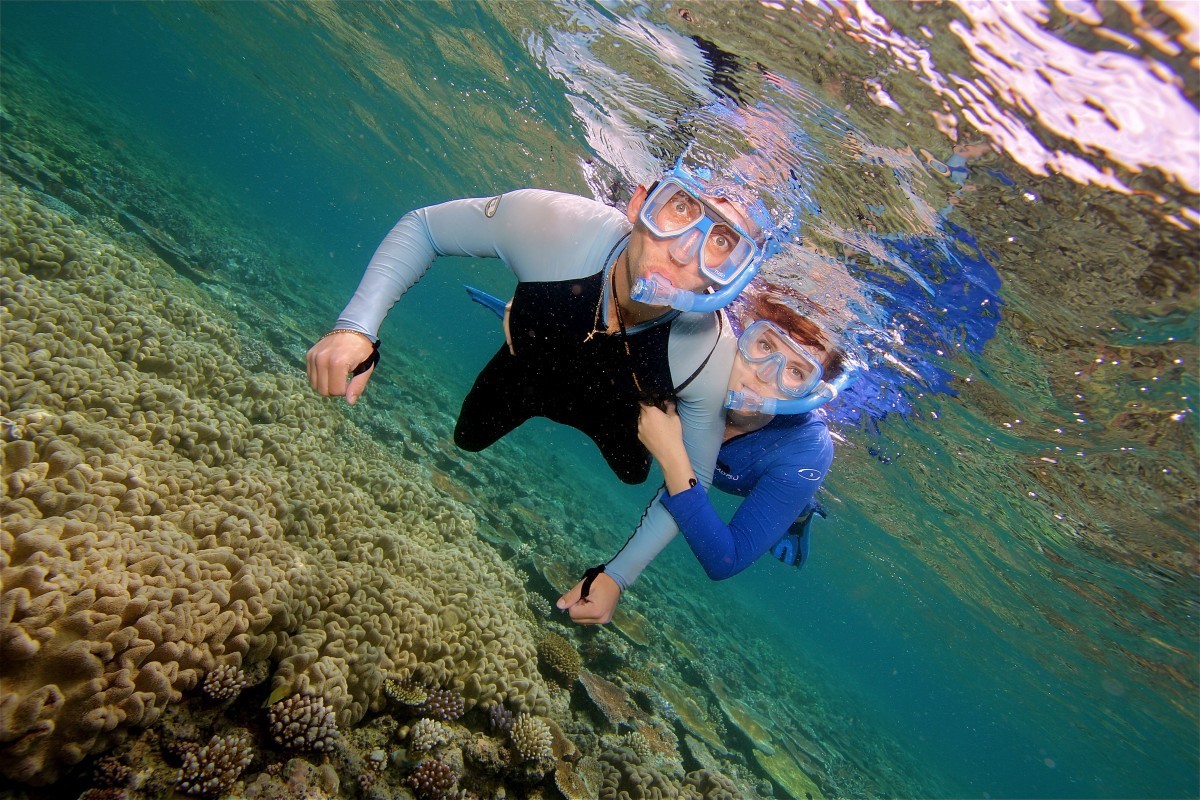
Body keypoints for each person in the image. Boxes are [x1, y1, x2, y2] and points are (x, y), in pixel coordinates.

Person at [307, 163, 775, 606]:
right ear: (639, 204)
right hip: (528, 369)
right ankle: (516, 316)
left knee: (635, 471)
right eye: (680, 208)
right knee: (467, 437)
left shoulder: (711, 353)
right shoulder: (559, 225)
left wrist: (618, 575)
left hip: (614, 414)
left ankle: (522, 316)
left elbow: (695, 477)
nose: (682, 252)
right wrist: (356, 327)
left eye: (721, 241)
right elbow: (425, 228)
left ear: (734, 273)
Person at [469, 282, 855, 623]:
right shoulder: (700, 344)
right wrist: (535, 315)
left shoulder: (807, 451)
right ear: (744, 331)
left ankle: (798, 513)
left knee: (788, 501)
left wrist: (671, 456)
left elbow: (726, 559)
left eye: (796, 372)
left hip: (746, 479)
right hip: (684, 445)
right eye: (765, 345)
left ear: (812, 393)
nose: (763, 375)